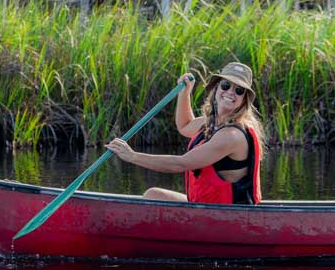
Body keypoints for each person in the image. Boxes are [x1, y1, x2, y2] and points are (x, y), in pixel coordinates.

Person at [105, 61, 263, 204]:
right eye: (226, 85)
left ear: (245, 99)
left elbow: (181, 163)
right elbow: (185, 125)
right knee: (154, 195)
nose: (230, 92)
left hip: (226, 214)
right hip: (206, 206)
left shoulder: (232, 136)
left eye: (239, 90)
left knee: (153, 197)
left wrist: (132, 156)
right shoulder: (211, 122)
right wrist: (185, 93)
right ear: (216, 88)